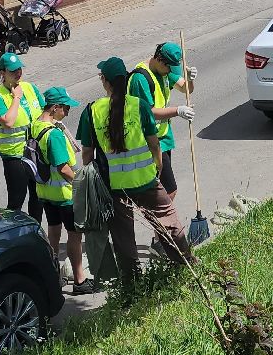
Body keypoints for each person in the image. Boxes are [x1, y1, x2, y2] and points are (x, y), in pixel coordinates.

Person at [79, 56, 191, 282]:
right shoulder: (138, 106)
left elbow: (87, 156)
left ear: (105, 81)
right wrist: (158, 168)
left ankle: (132, 284)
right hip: (146, 181)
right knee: (169, 224)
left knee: (123, 240)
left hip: (115, 188)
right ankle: (185, 268)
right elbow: (154, 143)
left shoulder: (91, 111)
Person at [30, 86, 98, 295]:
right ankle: (79, 280)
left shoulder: (34, 126)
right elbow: (63, 168)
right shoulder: (54, 135)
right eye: (65, 108)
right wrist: (82, 182)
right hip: (64, 195)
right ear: (55, 107)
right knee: (75, 237)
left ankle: (53, 275)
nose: (68, 112)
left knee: (53, 233)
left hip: (45, 193)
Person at [129, 42, 197, 203]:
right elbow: (148, 113)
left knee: (164, 191)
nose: (170, 73)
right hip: (149, 141)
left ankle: (163, 224)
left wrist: (190, 79)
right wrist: (178, 111)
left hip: (163, 138)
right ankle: (162, 224)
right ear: (160, 60)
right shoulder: (141, 78)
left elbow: (186, 88)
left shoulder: (164, 71)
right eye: (169, 68)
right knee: (167, 192)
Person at [0, 52, 43, 215]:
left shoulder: (30, 88)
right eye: (12, 71)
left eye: (19, 69)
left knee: (38, 197)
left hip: (35, 153)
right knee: (16, 201)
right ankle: (12, 237)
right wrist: (16, 98)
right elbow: (9, 122)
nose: (18, 73)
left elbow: (44, 114)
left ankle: (34, 233)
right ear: (2, 73)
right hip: (15, 157)